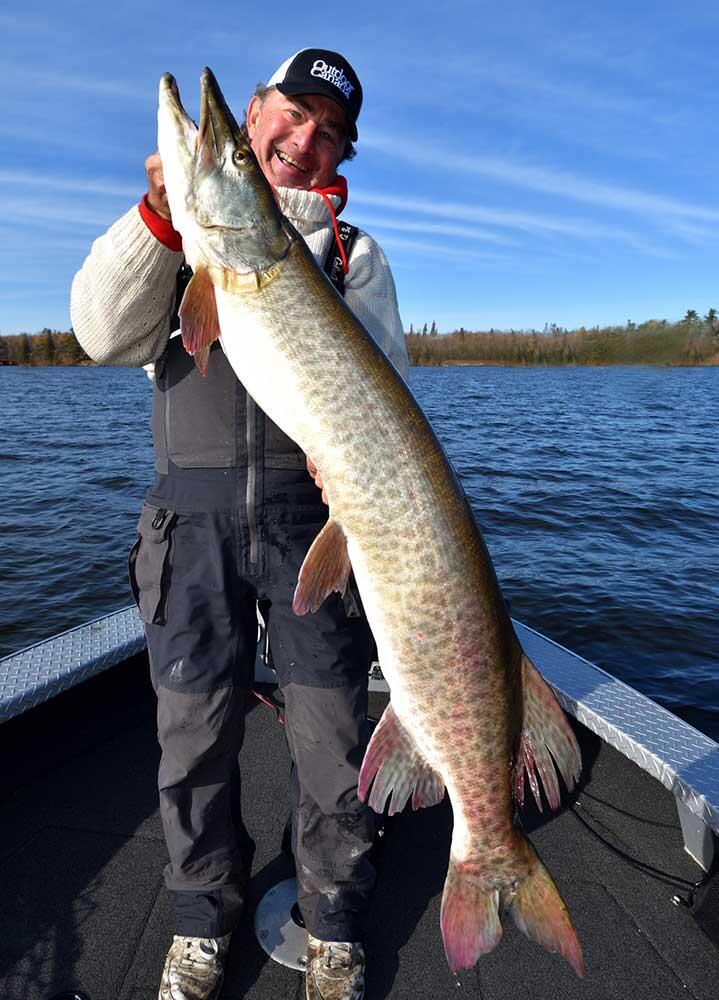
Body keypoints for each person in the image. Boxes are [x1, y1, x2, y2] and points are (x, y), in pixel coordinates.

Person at [71, 48, 409, 1000]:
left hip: (314, 529)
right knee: (192, 736)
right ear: (256, 114)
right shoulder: (177, 233)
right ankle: (199, 918)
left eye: (330, 132)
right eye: (290, 116)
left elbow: (385, 397)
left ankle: (333, 918)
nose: (305, 141)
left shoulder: (355, 254)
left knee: (335, 734)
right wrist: (162, 219)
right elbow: (99, 331)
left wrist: (353, 467)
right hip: (192, 523)